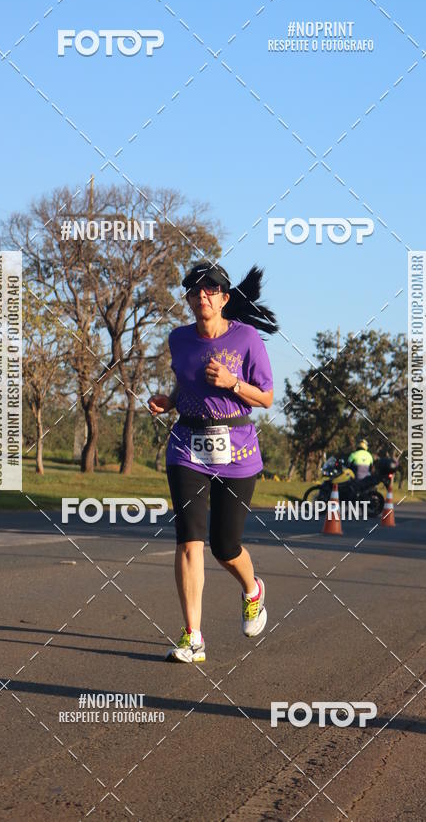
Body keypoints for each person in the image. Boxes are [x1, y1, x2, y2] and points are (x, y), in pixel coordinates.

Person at [148, 262, 277, 663]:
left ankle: (253, 590)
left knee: (224, 546)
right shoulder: (179, 339)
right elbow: (186, 382)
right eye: (194, 290)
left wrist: (232, 383)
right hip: (187, 447)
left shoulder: (247, 339)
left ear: (224, 298)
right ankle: (193, 638)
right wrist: (170, 401)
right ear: (188, 300)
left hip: (237, 451)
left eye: (210, 289)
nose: (202, 295)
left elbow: (266, 397)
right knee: (189, 540)